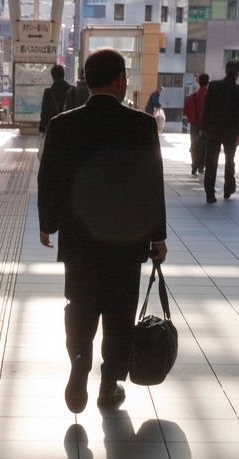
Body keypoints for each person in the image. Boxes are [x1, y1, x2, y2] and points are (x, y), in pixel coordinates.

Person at [38, 47, 166, 415]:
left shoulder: (64, 124)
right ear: (119, 80)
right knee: (120, 313)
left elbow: (48, 179)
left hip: (79, 240)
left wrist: (48, 224)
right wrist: (158, 236)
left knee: (80, 305)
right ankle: (109, 385)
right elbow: (151, 184)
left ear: (87, 81)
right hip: (127, 242)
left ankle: (80, 359)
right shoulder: (141, 125)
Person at [201, 59, 239, 203]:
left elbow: (207, 109)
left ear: (226, 70)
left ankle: (210, 193)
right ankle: (228, 188)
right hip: (231, 132)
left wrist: (203, 127)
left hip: (213, 129)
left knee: (211, 162)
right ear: (238, 73)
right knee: (229, 160)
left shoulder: (214, 86)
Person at [184, 73, 209, 175]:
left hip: (195, 125)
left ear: (198, 82)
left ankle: (194, 165)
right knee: (205, 146)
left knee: (194, 145)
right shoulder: (210, 97)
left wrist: (193, 118)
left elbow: (185, 111)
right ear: (207, 83)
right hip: (207, 127)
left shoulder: (192, 97)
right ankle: (202, 166)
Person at [40, 64, 74, 133]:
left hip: (53, 128)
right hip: (68, 127)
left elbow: (44, 112)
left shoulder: (48, 92)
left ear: (52, 76)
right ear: (63, 75)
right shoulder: (72, 90)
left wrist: (42, 127)